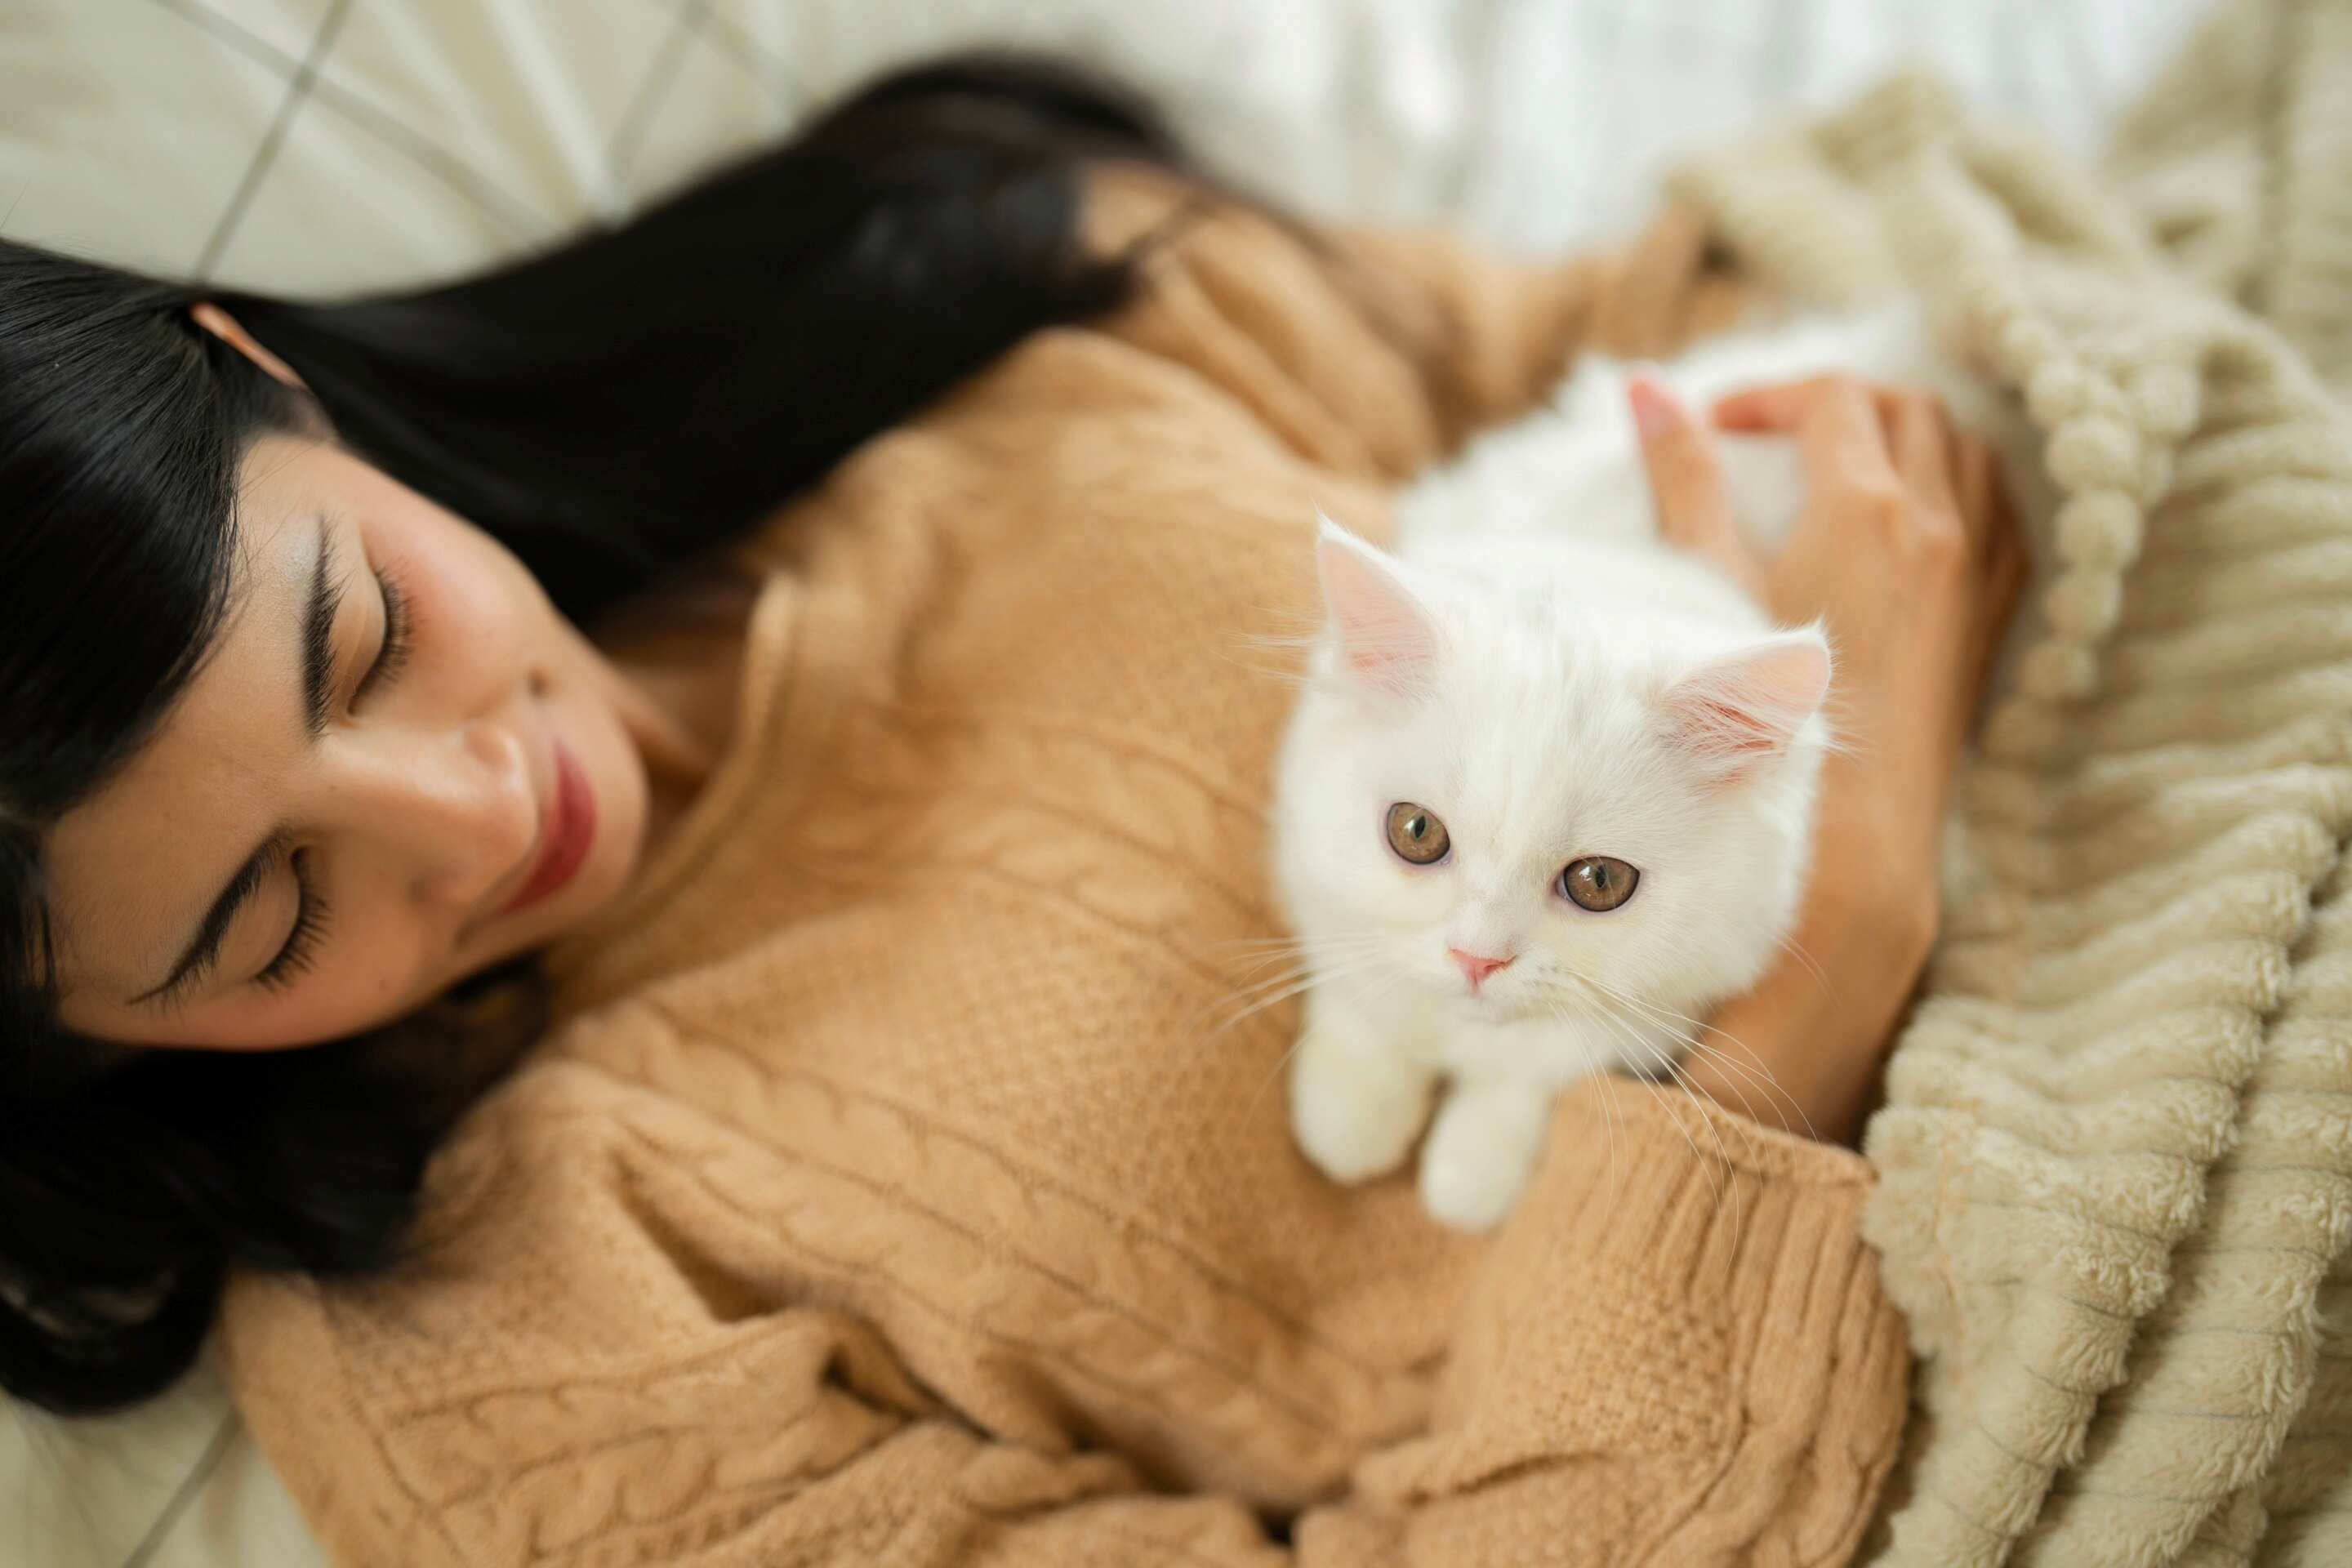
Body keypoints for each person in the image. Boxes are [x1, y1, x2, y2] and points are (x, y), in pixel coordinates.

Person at [0, 53, 2016, 1566]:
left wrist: (1861, 529)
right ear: (100, 1049)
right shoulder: (499, 1363)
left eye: (359, 639)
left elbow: (1619, 343)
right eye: (269, 915)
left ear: (256, 366)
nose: (472, 808)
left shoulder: (985, 326)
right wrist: (1827, 948)